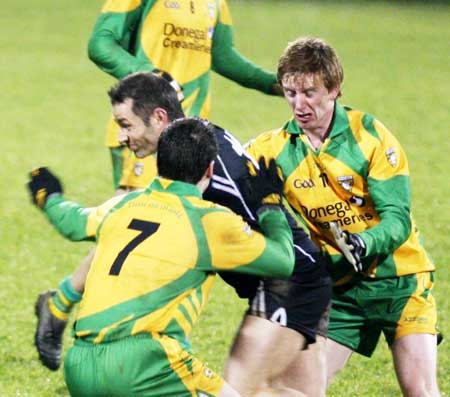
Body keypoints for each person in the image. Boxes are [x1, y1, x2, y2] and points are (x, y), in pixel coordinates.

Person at [30, 72, 331, 397]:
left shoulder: (207, 171)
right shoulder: (188, 156)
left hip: (291, 280)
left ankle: (58, 306)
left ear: (160, 118)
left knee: (247, 391)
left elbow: (279, 248)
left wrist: (270, 203)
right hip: (275, 275)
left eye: (126, 124)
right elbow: (122, 232)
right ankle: (58, 306)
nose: (120, 137)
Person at [246, 36, 440, 397]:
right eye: (290, 93)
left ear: (335, 89)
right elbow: (226, 171)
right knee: (300, 389)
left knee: (420, 390)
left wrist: (363, 243)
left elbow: (397, 219)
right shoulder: (273, 149)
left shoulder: (370, 137)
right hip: (342, 288)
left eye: (310, 93)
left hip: (402, 282)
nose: (299, 104)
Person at [88, 0, 282, 191]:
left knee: (182, 215)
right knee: (142, 216)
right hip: (145, 129)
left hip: (191, 135)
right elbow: (101, 43)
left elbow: (224, 56)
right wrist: (153, 76)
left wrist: (276, 84)